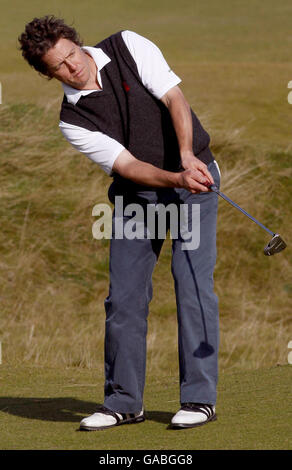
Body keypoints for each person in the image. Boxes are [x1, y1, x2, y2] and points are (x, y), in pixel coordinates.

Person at [19, 16, 221, 430]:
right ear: (46, 73)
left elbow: (175, 99)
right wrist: (173, 177)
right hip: (138, 196)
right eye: (59, 66)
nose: (73, 68)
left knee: (192, 285)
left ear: (77, 43)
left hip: (195, 182)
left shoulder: (127, 45)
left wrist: (186, 157)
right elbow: (128, 165)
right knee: (124, 298)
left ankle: (200, 400)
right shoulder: (71, 120)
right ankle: (124, 402)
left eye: (72, 55)